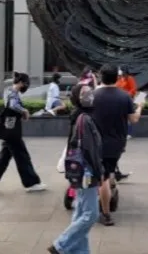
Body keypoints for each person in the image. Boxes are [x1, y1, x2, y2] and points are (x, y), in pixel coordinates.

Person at [48, 84, 104, 254]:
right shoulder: (85, 119)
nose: (90, 96)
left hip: (79, 171)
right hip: (87, 172)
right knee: (91, 215)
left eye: (90, 92)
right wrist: (98, 172)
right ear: (76, 98)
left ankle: (79, 251)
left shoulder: (79, 116)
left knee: (80, 213)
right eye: (84, 94)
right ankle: (61, 245)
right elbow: (90, 149)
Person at [94, 64, 144, 226]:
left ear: (101, 77)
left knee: (103, 177)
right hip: (116, 143)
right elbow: (134, 119)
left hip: (96, 141)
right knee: (107, 174)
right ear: (117, 77)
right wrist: (140, 107)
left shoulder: (93, 95)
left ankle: (106, 212)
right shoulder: (124, 97)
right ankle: (107, 205)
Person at [0, 72, 47, 193]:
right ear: (20, 83)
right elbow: (13, 105)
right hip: (12, 131)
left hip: (9, 130)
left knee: (3, 158)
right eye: (25, 84)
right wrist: (24, 111)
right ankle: (31, 183)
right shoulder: (13, 93)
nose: (26, 86)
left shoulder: (8, 90)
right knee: (22, 156)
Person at [116, 65, 138, 138]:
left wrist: (126, 94)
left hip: (127, 99)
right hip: (119, 100)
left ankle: (128, 133)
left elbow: (133, 89)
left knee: (128, 116)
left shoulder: (130, 78)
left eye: (120, 70)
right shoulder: (119, 79)